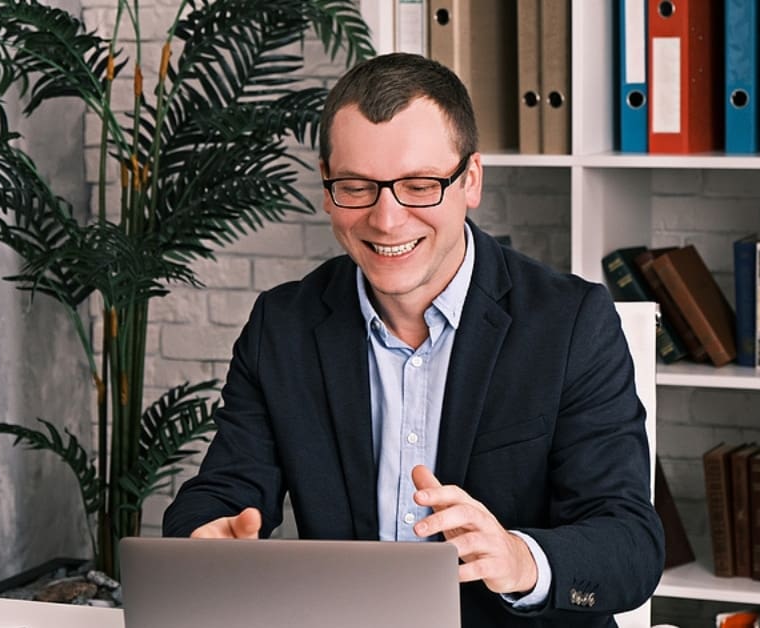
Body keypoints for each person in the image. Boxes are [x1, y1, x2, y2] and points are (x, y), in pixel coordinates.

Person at [163, 52, 664, 627]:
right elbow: (223, 491)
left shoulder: (572, 323)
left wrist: (519, 558)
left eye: (420, 186)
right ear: (327, 187)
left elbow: (629, 543)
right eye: (356, 187)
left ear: (470, 180)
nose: (387, 219)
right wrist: (207, 540)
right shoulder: (283, 326)